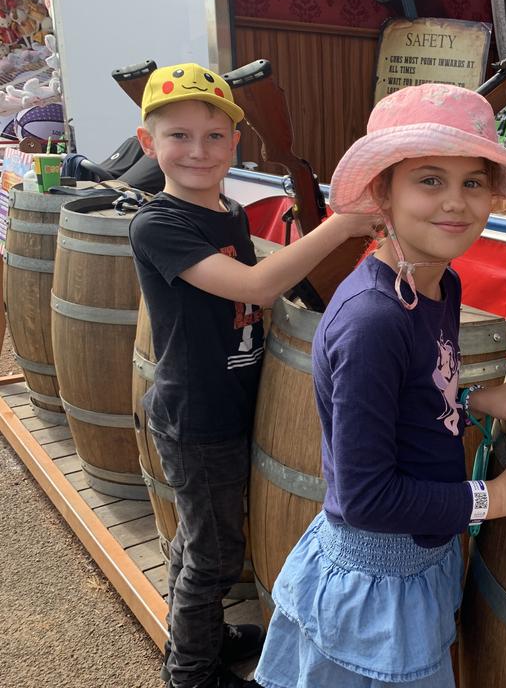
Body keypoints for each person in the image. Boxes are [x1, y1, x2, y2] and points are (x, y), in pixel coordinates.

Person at [253, 83, 506, 688]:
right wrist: (498, 496)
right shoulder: (372, 322)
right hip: (375, 584)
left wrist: (475, 399)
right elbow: (365, 498)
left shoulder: (442, 284)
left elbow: (418, 391)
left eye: (473, 182)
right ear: (383, 192)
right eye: (429, 180)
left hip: (424, 559)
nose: (455, 204)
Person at [129, 62, 377, 688]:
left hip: (231, 400)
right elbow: (253, 285)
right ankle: (192, 670)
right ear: (146, 143)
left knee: (200, 537)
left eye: (214, 137)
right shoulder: (159, 223)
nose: (198, 151)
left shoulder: (229, 212)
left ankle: (202, 632)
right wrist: (343, 227)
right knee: (213, 557)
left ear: (236, 144)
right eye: (178, 136)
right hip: (197, 412)